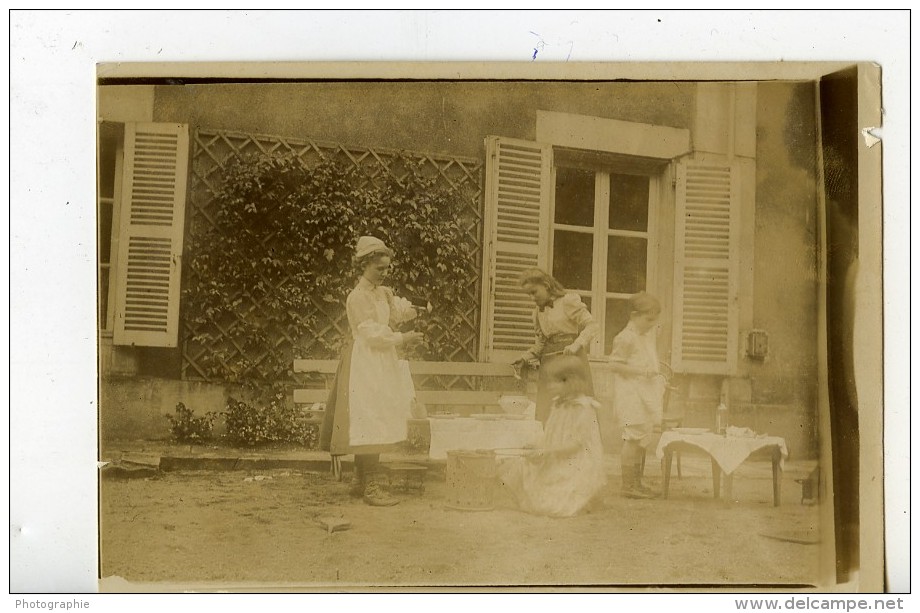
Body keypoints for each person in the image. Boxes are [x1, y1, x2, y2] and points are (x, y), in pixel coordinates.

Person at [319, 236, 424, 506]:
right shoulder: (357, 297)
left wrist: (414, 310)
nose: (384, 273)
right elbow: (371, 334)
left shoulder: (383, 293)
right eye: (379, 268)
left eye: (387, 268)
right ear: (364, 265)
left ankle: (360, 480)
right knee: (370, 419)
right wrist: (404, 339)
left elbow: (397, 315)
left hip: (384, 362)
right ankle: (372, 486)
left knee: (378, 417)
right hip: (366, 362)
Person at [495, 354, 607, 517]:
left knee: (552, 504)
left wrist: (547, 452)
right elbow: (550, 434)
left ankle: (585, 499)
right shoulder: (557, 404)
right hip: (555, 456)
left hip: (575, 462)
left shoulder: (583, 408)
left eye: (556, 382)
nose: (550, 386)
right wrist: (537, 446)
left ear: (572, 382)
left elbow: (575, 445)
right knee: (514, 467)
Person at [515, 268, 598, 424]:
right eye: (529, 295)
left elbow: (592, 325)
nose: (532, 298)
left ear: (546, 285)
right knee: (548, 410)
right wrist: (526, 357)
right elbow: (541, 342)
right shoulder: (536, 313)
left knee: (575, 407)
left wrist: (576, 345)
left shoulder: (567, 301)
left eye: (534, 292)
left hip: (571, 360)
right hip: (549, 364)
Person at [607, 292, 666, 499]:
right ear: (634, 315)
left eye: (654, 320)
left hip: (645, 392)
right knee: (632, 438)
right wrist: (642, 372)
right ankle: (627, 485)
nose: (652, 324)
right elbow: (614, 365)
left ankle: (637, 482)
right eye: (648, 319)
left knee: (643, 437)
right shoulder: (625, 337)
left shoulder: (645, 335)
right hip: (630, 393)